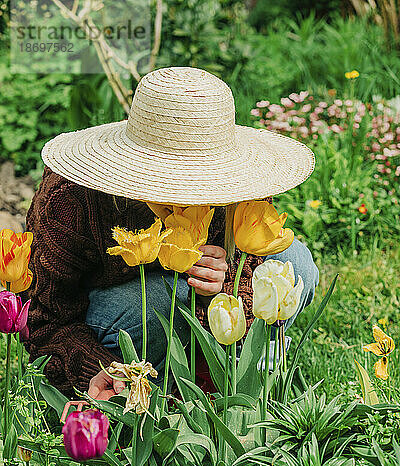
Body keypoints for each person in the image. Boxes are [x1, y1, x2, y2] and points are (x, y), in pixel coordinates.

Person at [24, 66, 319, 401]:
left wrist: (221, 286)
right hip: (121, 309)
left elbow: (249, 270)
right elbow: (44, 319)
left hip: (196, 303)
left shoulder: (238, 187)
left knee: (296, 265)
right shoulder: (71, 197)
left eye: (201, 174)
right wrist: (100, 369)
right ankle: (152, 390)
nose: (188, 191)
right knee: (165, 299)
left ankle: (244, 378)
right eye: (172, 175)